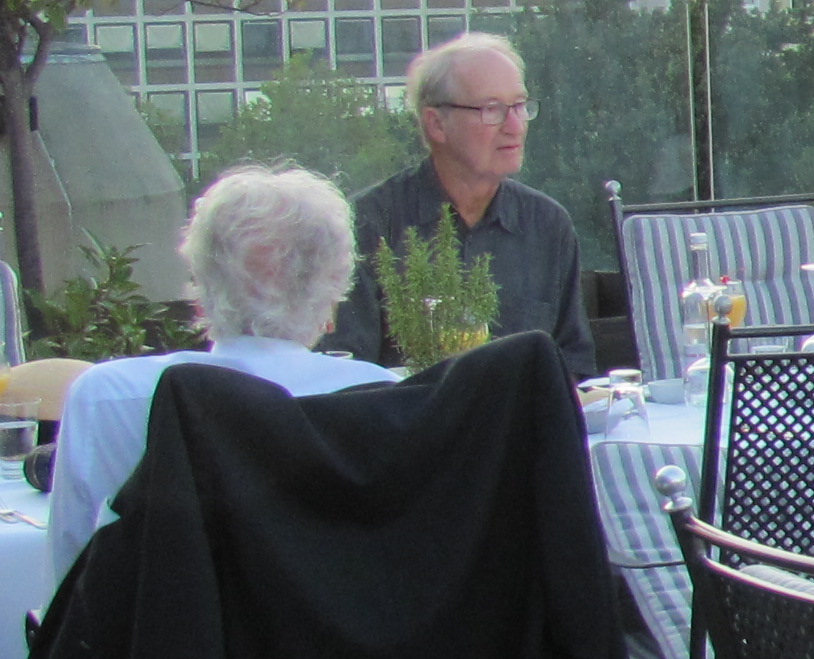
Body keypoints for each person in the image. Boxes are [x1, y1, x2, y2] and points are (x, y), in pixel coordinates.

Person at [53, 167, 393, 576]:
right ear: (334, 295)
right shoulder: (387, 400)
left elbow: (70, 583)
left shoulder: (108, 397)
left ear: (199, 289)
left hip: (162, 634)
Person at [330, 34, 596, 375]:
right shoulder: (369, 225)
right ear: (436, 123)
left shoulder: (546, 224)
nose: (515, 126)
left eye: (519, 106)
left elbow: (574, 364)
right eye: (492, 110)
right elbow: (347, 372)